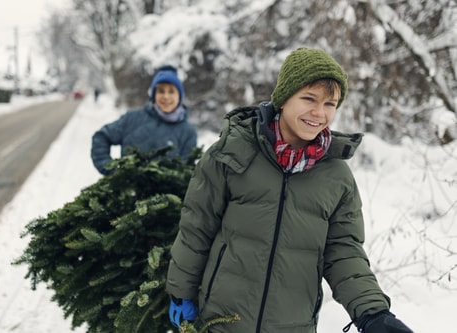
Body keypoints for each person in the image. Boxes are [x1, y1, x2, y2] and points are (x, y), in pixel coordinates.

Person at [165, 47, 414, 333]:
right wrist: (181, 291)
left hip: (292, 325)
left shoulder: (337, 177)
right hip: (222, 320)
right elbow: (197, 227)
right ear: (283, 99)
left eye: (330, 104)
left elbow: (343, 251)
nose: (319, 113)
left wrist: (373, 313)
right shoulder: (231, 154)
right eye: (309, 99)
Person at [91, 65, 197, 175]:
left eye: (171, 91)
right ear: (153, 94)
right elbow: (102, 137)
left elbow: (186, 174)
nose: (166, 96)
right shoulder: (132, 118)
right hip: (128, 190)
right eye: (161, 91)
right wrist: (112, 170)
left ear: (180, 96)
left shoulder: (188, 133)